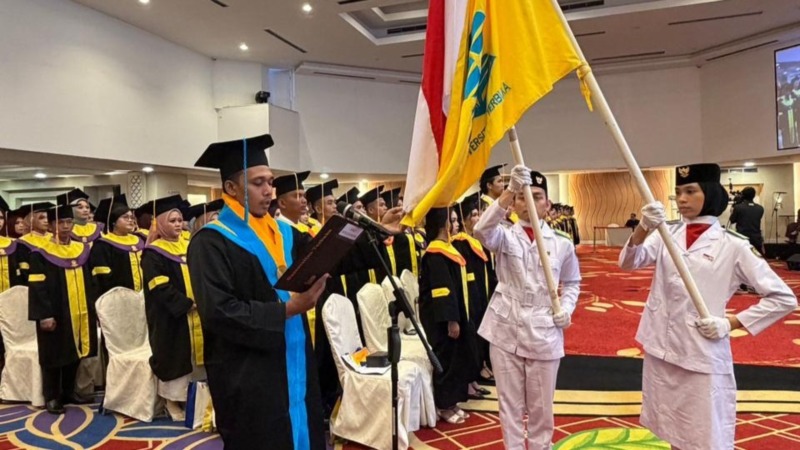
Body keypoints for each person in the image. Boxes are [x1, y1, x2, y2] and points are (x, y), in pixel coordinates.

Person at [619, 163, 797, 450]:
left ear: (711, 193)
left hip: (700, 349)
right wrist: (644, 227)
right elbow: (629, 262)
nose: (682, 199)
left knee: (704, 433)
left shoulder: (733, 244)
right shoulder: (666, 233)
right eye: (678, 192)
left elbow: (783, 298)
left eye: (691, 191)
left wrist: (730, 323)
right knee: (670, 427)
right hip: (660, 345)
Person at [188, 134, 328, 449]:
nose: (269, 191)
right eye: (258, 183)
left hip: (294, 357)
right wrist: (288, 309)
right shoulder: (210, 242)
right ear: (231, 188)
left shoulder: (285, 232)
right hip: (248, 371)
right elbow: (219, 312)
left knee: (302, 430)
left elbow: (327, 256)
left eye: (270, 182)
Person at [473, 165, 581, 449]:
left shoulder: (562, 244)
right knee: (509, 405)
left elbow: (572, 282)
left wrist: (566, 308)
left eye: (537, 196)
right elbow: (480, 230)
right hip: (505, 328)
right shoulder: (504, 235)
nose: (529, 202)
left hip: (544, 328)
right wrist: (508, 191)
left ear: (548, 204)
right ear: (514, 203)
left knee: (541, 408)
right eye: (522, 197)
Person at [27, 204, 97, 414]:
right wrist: (44, 315)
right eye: (60, 222)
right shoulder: (41, 253)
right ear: (51, 225)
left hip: (79, 309)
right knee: (53, 354)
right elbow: (37, 288)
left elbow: (91, 281)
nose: (66, 226)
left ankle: (68, 392)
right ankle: (52, 396)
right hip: (55, 311)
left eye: (69, 222)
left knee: (75, 351)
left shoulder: (81, 250)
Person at [140, 195, 204, 422]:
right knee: (174, 355)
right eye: (172, 221)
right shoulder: (153, 253)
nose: (178, 224)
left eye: (179, 220)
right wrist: (186, 304)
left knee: (195, 355)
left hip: (196, 312)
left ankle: (192, 396)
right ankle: (171, 400)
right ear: (159, 223)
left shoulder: (189, 245)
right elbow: (159, 286)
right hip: (169, 316)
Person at [419, 206, 480, 425]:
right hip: (441, 319)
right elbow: (442, 290)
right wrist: (451, 320)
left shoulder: (447, 248)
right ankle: (444, 405)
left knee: (456, 359)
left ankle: (453, 401)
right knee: (445, 360)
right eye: (452, 220)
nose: (456, 224)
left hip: (455, 314)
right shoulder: (435, 253)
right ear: (442, 224)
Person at [452, 192, 494, 395]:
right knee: (472, 335)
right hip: (471, 295)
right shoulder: (460, 242)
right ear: (466, 219)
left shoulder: (476, 240)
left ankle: (480, 368)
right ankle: (473, 374)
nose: (478, 218)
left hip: (481, 292)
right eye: (475, 215)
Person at [90, 194, 145, 296]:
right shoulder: (103, 245)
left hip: (142, 295)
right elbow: (103, 278)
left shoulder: (139, 240)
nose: (130, 220)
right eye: (125, 217)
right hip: (118, 297)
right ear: (114, 221)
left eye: (132, 217)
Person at [14, 203, 54, 285]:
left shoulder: (55, 238)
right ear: (32, 220)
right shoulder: (23, 242)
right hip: (34, 284)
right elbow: (24, 270)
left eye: (48, 217)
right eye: (41, 218)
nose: (46, 221)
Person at [729, 187, 765, 254]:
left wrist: (734, 207)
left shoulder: (738, 207)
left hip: (742, 239)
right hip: (756, 239)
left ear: (743, 195)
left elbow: (732, 220)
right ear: (754, 195)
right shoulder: (760, 208)